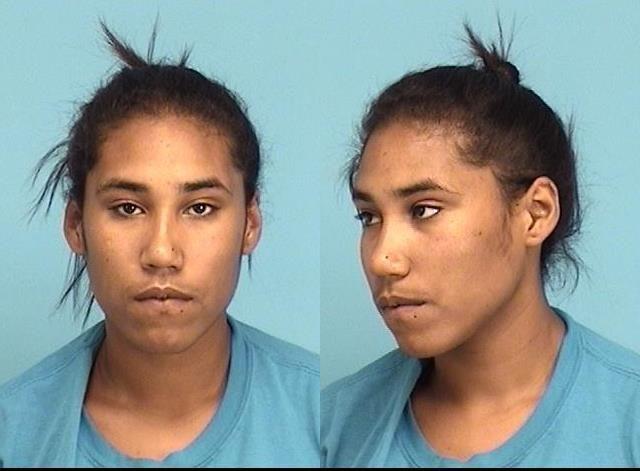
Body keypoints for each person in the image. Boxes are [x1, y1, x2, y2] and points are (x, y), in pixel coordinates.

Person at [0, 23, 319, 467]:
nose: (162, 253)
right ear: (76, 225)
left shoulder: (326, 422)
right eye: (128, 208)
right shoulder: (14, 437)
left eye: (200, 208)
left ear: (250, 223)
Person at [321, 23, 640, 467]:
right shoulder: (332, 432)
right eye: (369, 217)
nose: (382, 259)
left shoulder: (626, 422)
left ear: (536, 213)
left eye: (424, 210)